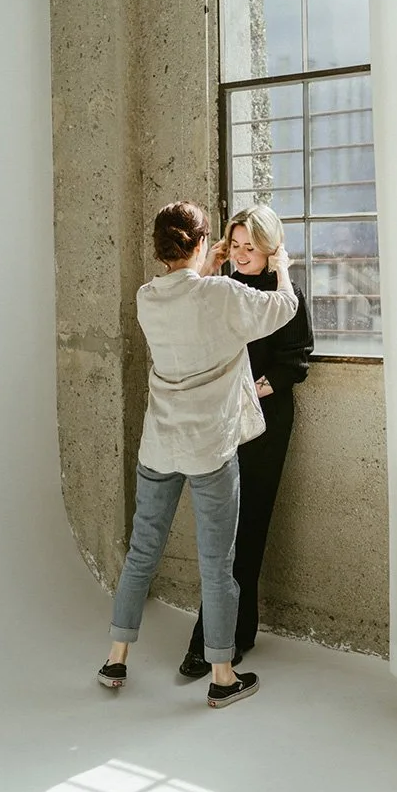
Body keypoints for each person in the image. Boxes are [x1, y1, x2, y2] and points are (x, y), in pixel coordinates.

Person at [97, 201, 298, 709]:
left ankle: (116, 656)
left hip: (159, 446)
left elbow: (188, 300)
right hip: (209, 449)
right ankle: (223, 676)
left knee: (143, 550)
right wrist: (283, 269)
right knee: (217, 561)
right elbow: (284, 309)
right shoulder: (226, 295)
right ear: (206, 241)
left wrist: (204, 267)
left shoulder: (147, 298)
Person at [179, 205, 314, 679]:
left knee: (247, 527)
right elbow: (186, 317)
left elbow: (296, 361)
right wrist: (207, 268)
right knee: (223, 531)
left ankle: (221, 640)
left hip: (264, 422)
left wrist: (258, 389)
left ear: (271, 250)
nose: (240, 254)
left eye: (249, 248)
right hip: (221, 419)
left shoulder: (286, 294)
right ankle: (228, 635)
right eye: (233, 245)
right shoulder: (219, 289)